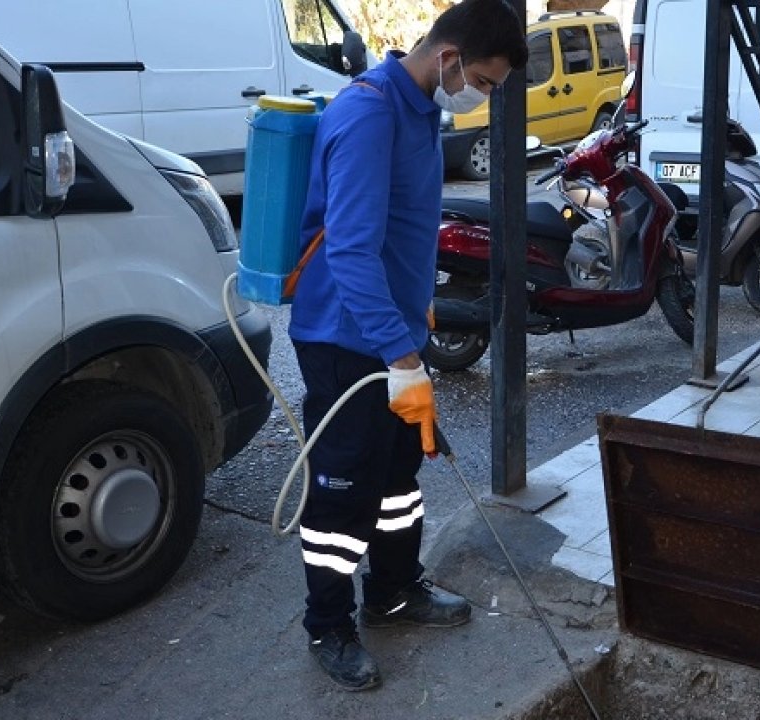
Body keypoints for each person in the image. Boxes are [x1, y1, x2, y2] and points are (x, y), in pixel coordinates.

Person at [285, 0, 526, 692]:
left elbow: (403, 234)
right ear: (448, 58)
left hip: (392, 337)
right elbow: (354, 254)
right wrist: (401, 356)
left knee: (396, 481)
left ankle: (393, 590)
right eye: (481, 79)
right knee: (341, 493)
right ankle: (328, 625)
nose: (479, 93)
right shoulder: (368, 116)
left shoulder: (419, 112)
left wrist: (411, 333)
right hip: (347, 342)